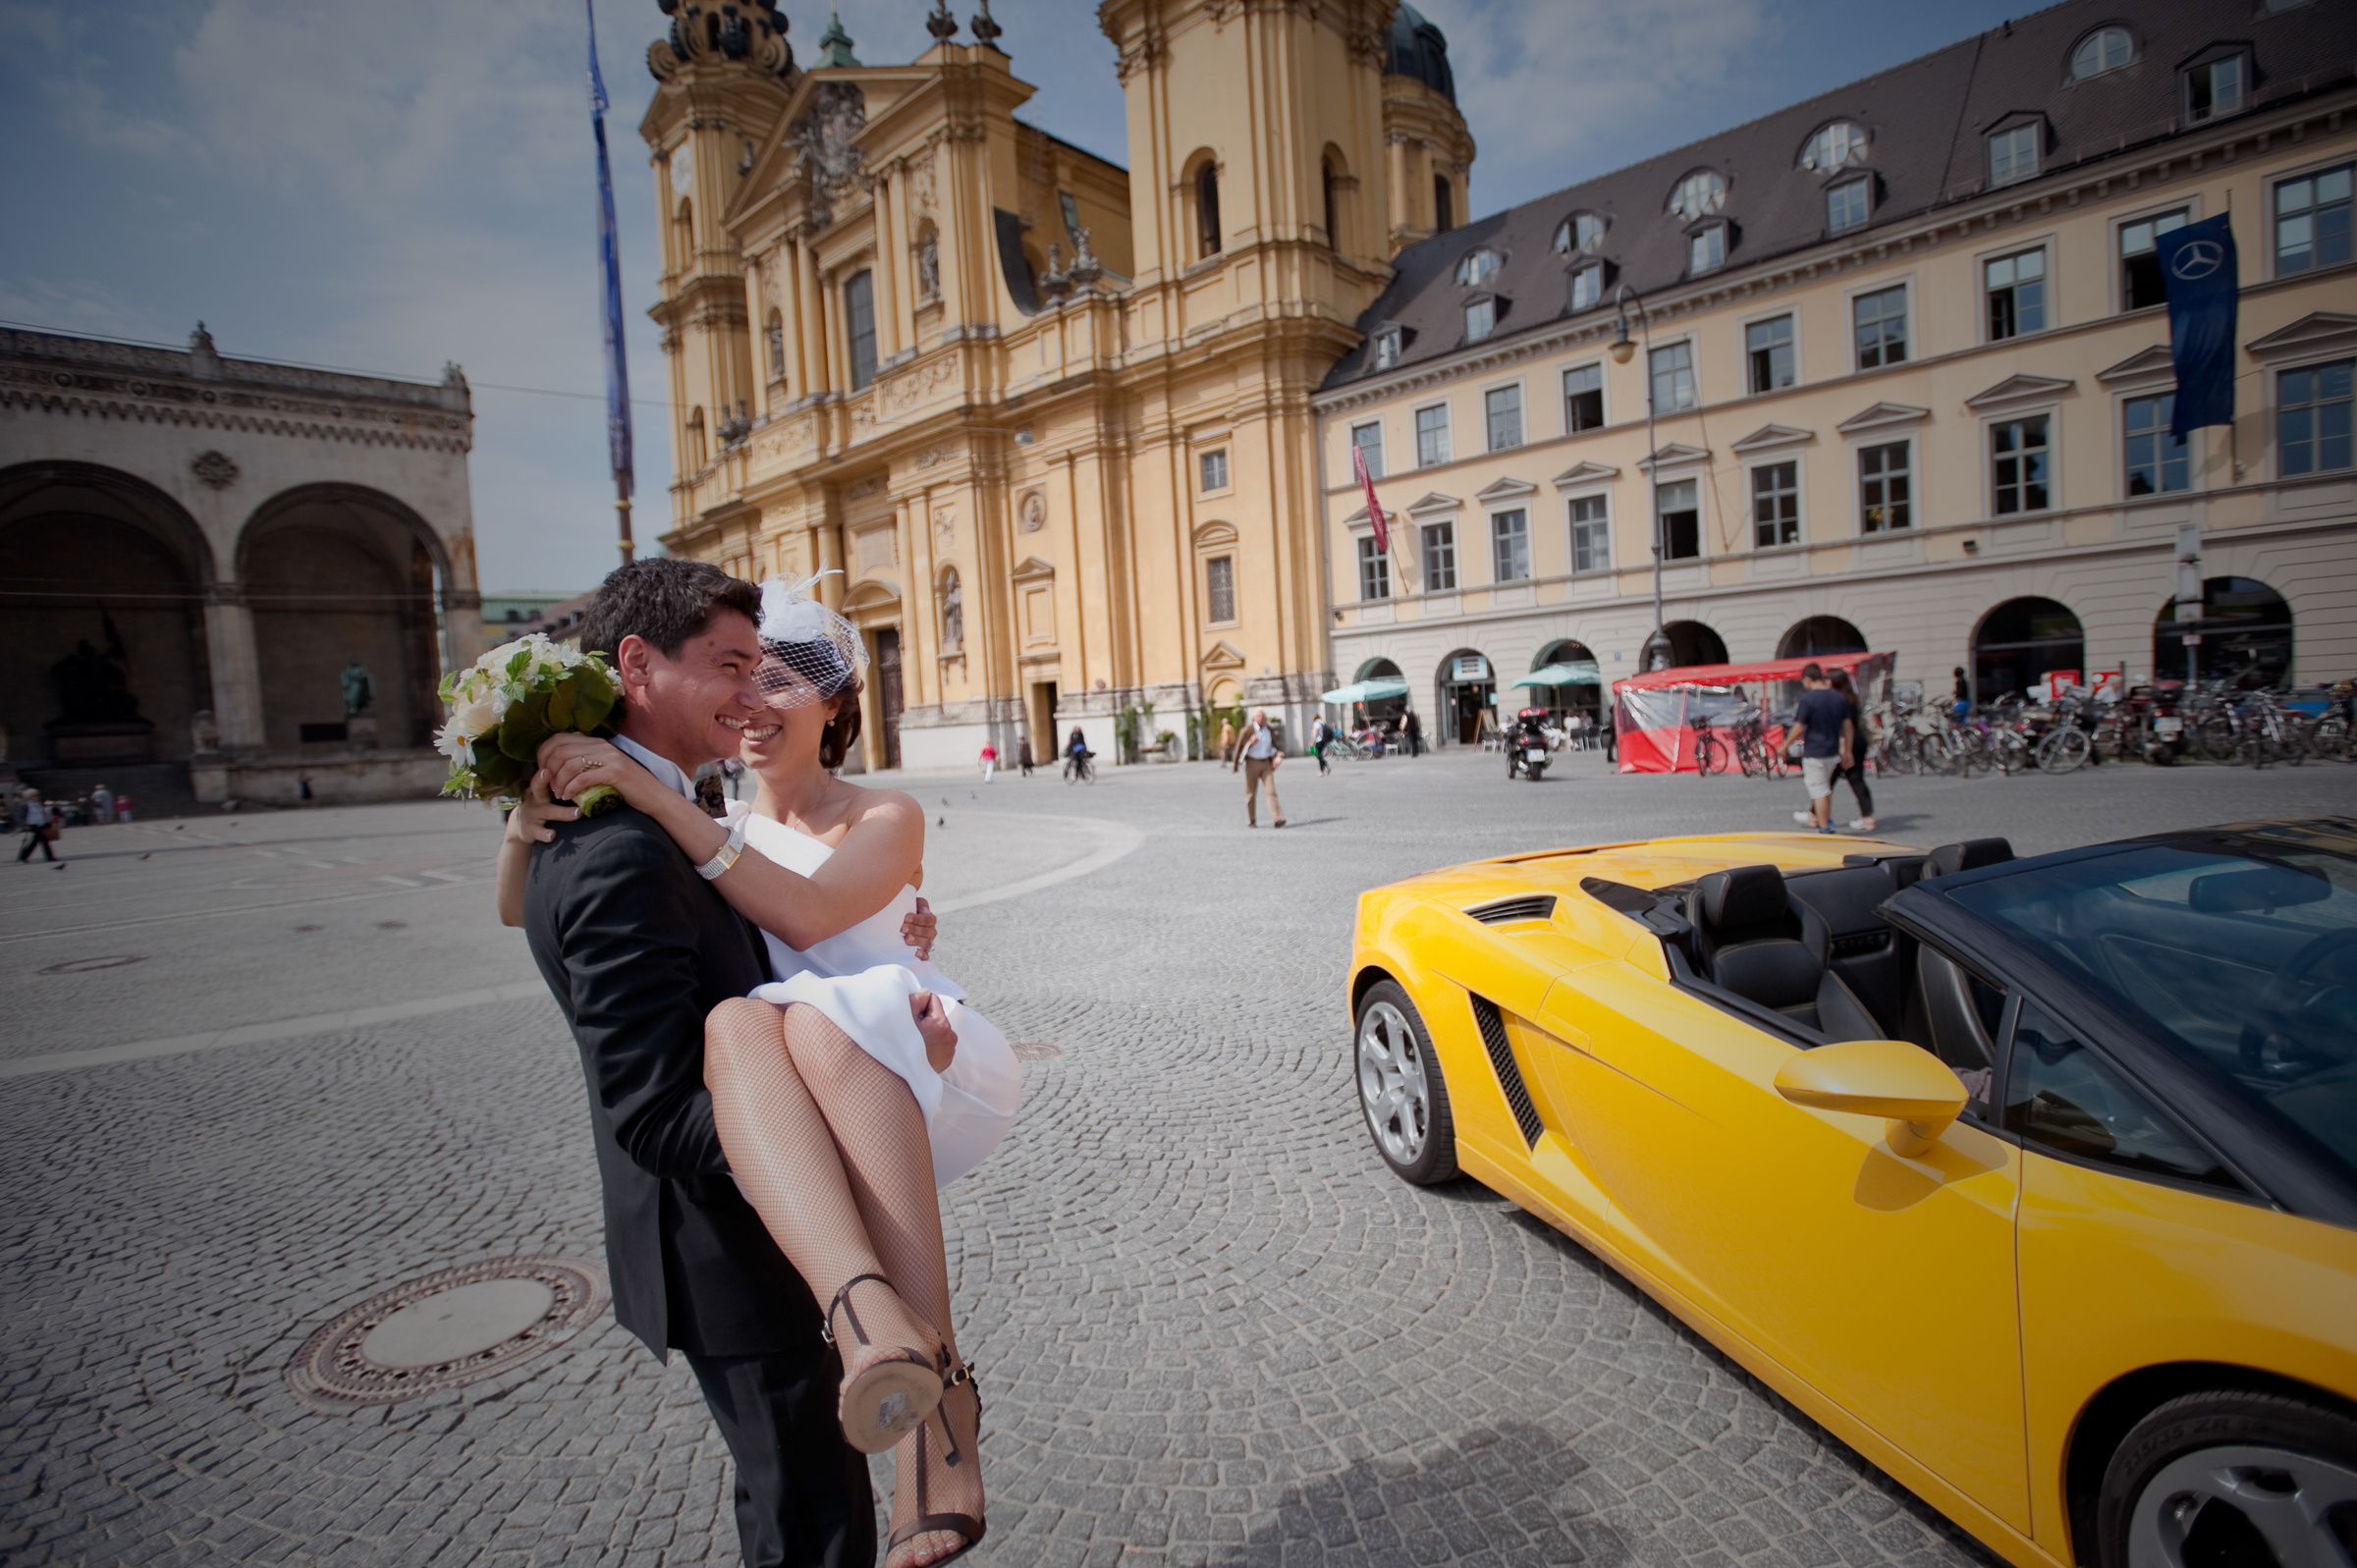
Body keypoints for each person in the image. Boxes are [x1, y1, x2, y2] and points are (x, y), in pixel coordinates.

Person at [503, 561, 991, 1568]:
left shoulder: (701, 819)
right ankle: (932, 1391)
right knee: (803, 1510)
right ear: (638, 668)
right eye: (734, 669)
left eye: (771, 676)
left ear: (833, 704)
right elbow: (647, 1095)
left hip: (856, 1073)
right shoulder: (650, 839)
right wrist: (523, 830)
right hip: (725, 1221)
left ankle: (932, 1400)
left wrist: (903, 975)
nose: (751, 699)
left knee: (807, 1496)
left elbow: (807, 919)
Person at [1789, 664, 1854, 835]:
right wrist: (1847, 750)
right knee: (1825, 788)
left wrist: (1784, 745)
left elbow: (1799, 726)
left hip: (1815, 751)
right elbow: (1848, 726)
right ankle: (1825, 820)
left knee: (1819, 790)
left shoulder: (1808, 699)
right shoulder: (1838, 697)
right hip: (1832, 751)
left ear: (1808, 679)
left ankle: (1824, 826)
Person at [1826, 669, 1877, 832]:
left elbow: (1843, 726)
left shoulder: (1838, 700)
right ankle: (1867, 816)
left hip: (1847, 743)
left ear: (1833, 682)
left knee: (1828, 779)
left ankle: (1816, 814)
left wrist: (1843, 749)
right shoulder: (1851, 697)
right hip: (1859, 741)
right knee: (1855, 778)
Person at [1233, 708, 1286, 828]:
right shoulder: (1247, 730)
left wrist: (1277, 753)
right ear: (1254, 718)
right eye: (1258, 717)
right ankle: (1252, 820)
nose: (1260, 719)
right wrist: (1250, 744)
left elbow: (1271, 746)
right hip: (1252, 763)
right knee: (1251, 793)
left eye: (1262, 717)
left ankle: (1277, 818)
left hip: (1266, 763)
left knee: (1271, 791)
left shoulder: (1269, 730)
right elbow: (1239, 749)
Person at [17, 788, 55, 863]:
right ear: (29, 797)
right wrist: (25, 826)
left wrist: (46, 822)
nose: (37, 797)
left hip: (41, 825)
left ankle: (23, 857)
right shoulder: (25, 805)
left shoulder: (39, 804)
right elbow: (20, 817)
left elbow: (42, 814)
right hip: (32, 825)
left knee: (35, 842)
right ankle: (49, 857)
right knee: (44, 840)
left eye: (37, 795)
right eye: (34, 796)